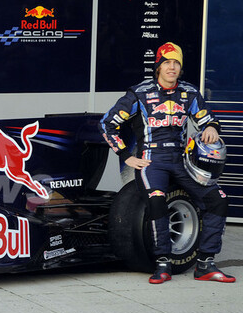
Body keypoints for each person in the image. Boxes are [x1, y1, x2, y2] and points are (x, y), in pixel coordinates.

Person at [99, 42, 234, 284]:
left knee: (218, 200)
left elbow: (208, 119)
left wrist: (212, 128)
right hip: (152, 160)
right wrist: (126, 156)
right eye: (167, 63)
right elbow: (107, 124)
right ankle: (162, 263)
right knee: (157, 200)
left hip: (182, 159)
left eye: (176, 63)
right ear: (158, 67)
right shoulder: (139, 93)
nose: (172, 67)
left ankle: (205, 263)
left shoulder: (189, 93)